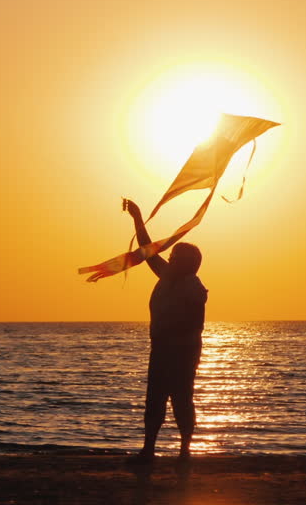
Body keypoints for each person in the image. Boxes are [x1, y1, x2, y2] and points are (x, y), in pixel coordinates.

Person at [122, 198, 208, 464]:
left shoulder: (192, 286)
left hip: (180, 352)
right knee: (155, 401)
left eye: (174, 257)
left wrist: (171, 339)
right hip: (162, 350)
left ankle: (185, 451)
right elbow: (147, 251)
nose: (168, 259)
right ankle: (149, 450)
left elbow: (194, 323)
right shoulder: (169, 277)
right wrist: (137, 218)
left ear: (187, 263)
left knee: (181, 401)